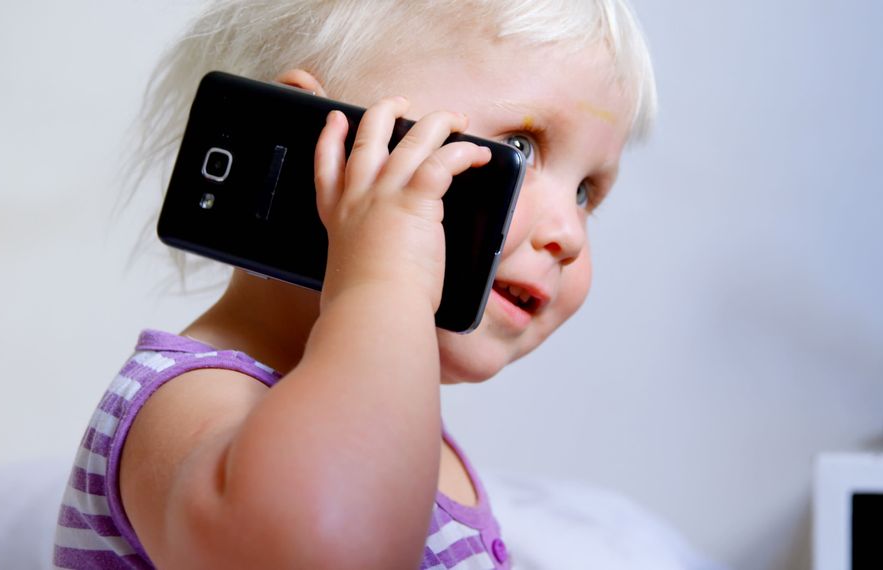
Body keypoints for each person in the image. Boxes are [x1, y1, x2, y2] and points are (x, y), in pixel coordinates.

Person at [53, 0, 656, 568]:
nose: (570, 235)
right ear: (318, 138)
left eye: (586, 192)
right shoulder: (186, 402)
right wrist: (384, 279)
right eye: (519, 149)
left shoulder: (401, 425)